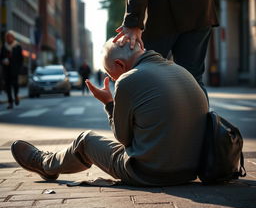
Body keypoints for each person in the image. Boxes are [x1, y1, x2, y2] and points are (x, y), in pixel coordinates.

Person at [11, 38, 208, 186]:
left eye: (110, 74)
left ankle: (45, 163)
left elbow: (123, 138)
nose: (111, 79)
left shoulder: (128, 79)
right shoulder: (183, 71)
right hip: (191, 170)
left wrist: (109, 103)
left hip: (150, 173)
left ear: (121, 65)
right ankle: (51, 163)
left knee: (85, 140)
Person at [113, 0, 218, 99]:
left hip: (159, 15)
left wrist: (133, 21)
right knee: (193, 81)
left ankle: (155, 121)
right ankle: (199, 122)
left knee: (146, 80)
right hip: (198, 10)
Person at [0, 31, 23, 109]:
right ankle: (10, 102)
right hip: (6, 70)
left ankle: (16, 96)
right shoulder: (4, 46)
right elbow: (1, 58)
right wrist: (3, 61)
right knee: (8, 87)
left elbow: (21, 59)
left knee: (15, 85)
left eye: (10, 37)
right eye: (7, 37)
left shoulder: (17, 46)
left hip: (15, 70)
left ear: (13, 37)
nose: (8, 38)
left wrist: (19, 68)